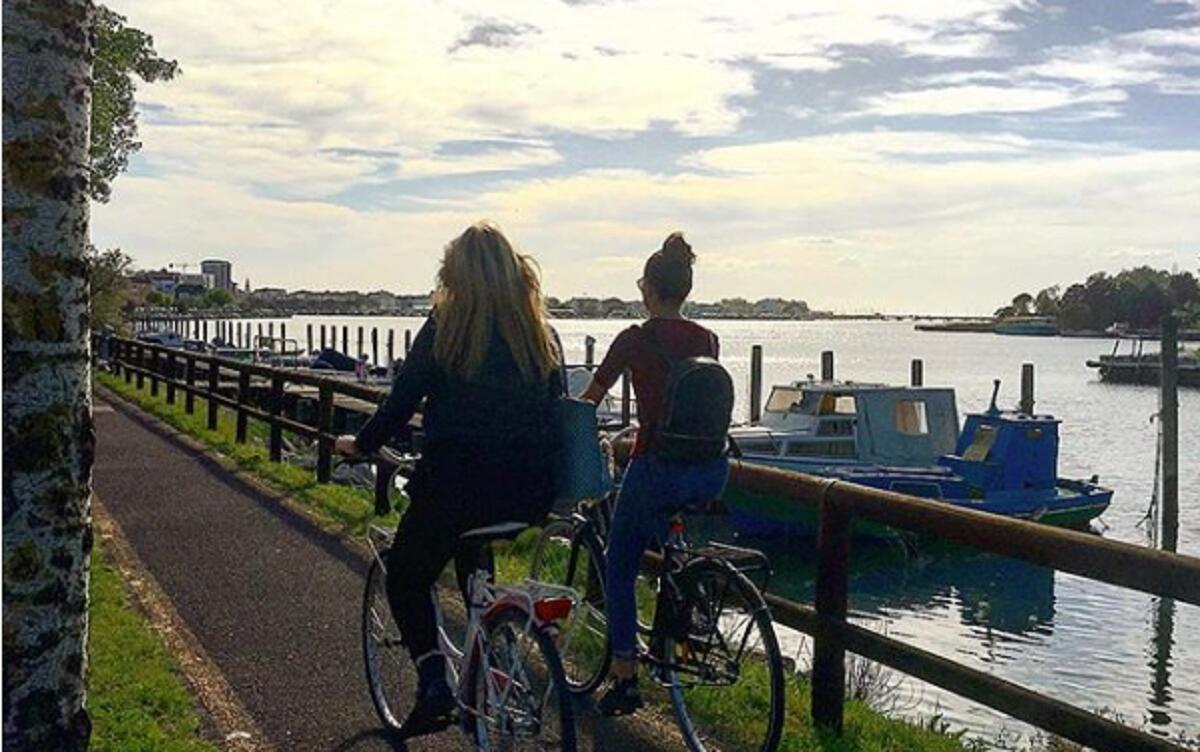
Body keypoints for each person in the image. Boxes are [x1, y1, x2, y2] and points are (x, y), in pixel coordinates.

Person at [335, 221, 564, 735]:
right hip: (528, 492)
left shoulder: (446, 325)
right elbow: (555, 409)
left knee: (407, 575)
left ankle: (434, 681)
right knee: (473, 551)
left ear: (453, 274)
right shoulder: (538, 331)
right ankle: (491, 653)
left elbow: (401, 402)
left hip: (455, 486)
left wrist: (361, 445)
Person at [580, 232, 729, 716]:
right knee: (673, 559)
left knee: (619, 563)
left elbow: (589, 402)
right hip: (710, 469)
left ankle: (626, 678)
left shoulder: (633, 340)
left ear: (647, 288)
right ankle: (679, 644)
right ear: (685, 289)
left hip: (655, 468)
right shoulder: (707, 339)